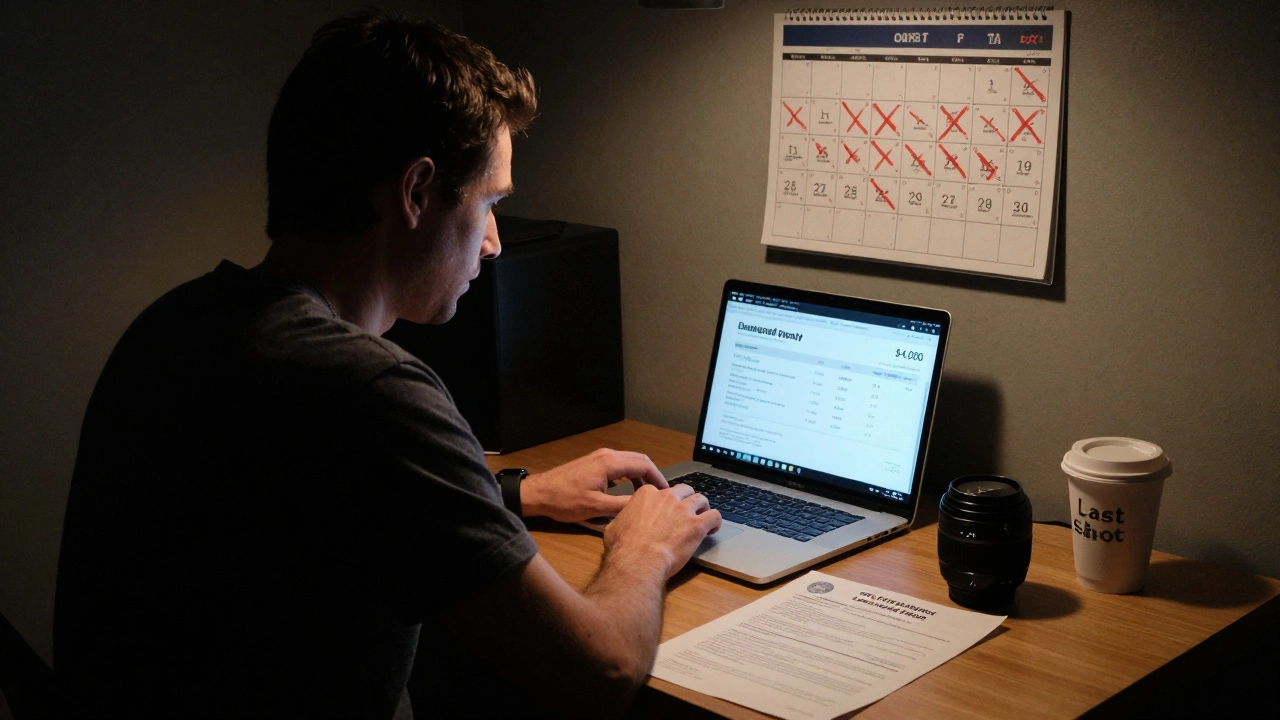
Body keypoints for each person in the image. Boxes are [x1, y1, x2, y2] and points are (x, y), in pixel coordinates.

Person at [53, 10, 721, 719]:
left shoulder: (178, 325)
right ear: (415, 192)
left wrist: (512, 497)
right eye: (488, 201)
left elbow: (315, 507)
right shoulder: (370, 391)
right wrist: (643, 549)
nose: (493, 243)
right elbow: (603, 669)